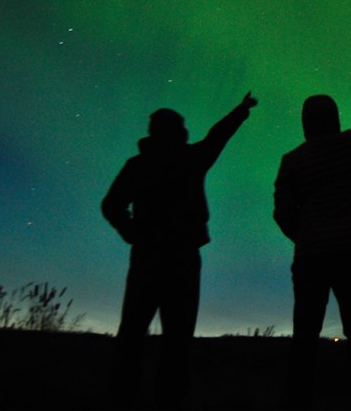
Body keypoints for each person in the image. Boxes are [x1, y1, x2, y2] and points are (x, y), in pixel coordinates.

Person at [101, 91, 258, 409]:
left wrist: (132, 232)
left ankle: (123, 396)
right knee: (176, 336)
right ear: (176, 132)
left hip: (148, 256)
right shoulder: (190, 159)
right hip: (182, 258)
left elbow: (112, 205)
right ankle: (166, 399)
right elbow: (218, 136)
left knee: (133, 331)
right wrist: (240, 110)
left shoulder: (140, 164)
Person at [273, 85, 351, 409]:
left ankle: (299, 399)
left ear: (306, 122)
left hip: (311, 258)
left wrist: (306, 236)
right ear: (334, 118)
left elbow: (281, 211)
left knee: (305, 333)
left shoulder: (293, 160)